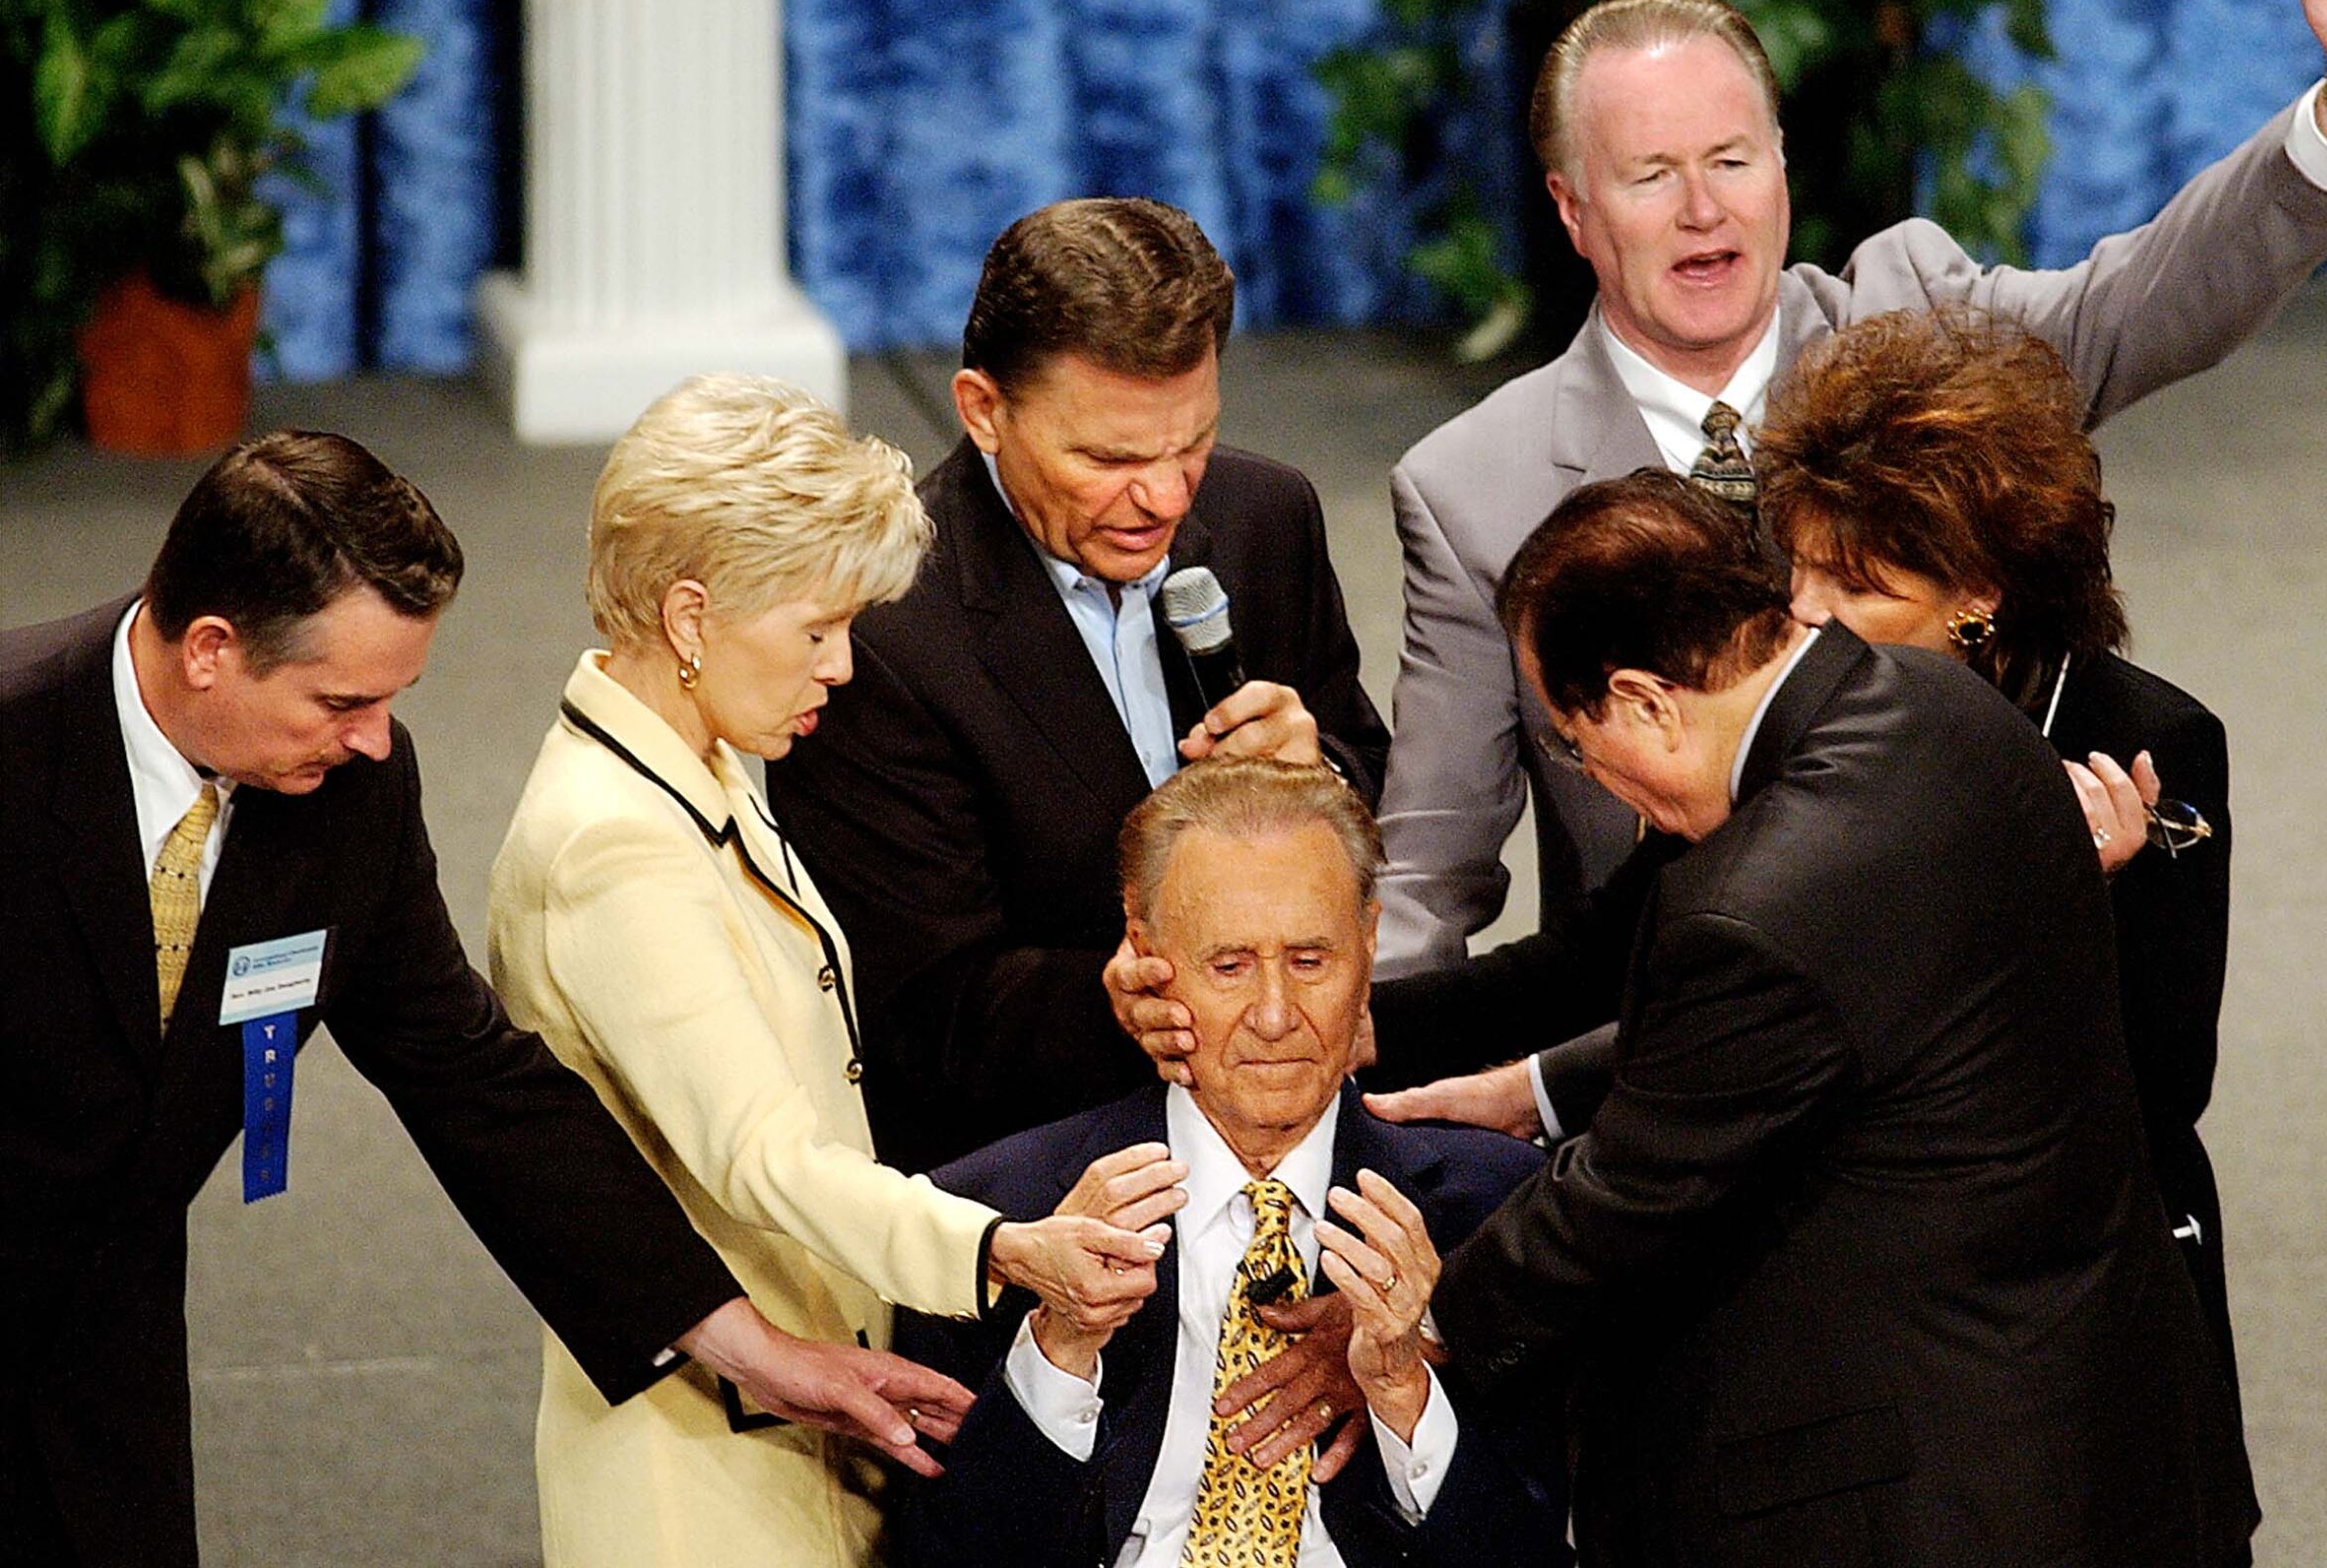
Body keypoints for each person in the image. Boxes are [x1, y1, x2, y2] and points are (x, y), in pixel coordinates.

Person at [1374, 0, 2327, 972]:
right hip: (1654, 1070)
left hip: (1957, 1007)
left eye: (1731, 159)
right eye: (1651, 175)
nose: (1703, 210)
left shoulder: (1915, 321)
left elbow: (2147, 306)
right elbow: (1431, 870)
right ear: (1573, 210)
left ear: (1780, 163)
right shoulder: (1478, 487)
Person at [0, 432, 969, 1568]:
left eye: (393, 697)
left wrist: (746, 1344)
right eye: (340, 699)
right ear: (212, 649)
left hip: (100, 1336)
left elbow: (473, 1080)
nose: (375, 739)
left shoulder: (345, 790)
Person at [1364, 310, 2247, 1395]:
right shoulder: (1799, 724)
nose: (1811, 617)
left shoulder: (2147, 747)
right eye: (1803, 570)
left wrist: (2058, 902)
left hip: (2060, 1300)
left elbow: (2159, 1085)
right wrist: (1355, 1026)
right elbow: (1605, 952)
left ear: (1979, 594)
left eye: (1861, 587)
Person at [1419, 472, 2251, 1564]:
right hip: (2077, 1412)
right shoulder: (1938, 702)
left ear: (1645, 700)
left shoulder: (1755, 903)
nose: (1600, 782)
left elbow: (1629, 1194)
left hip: (1919, 1489)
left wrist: (1417, 1321)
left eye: (1578, 744)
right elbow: (1874, 1013)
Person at [487, 376, 1173, 1568]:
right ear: (692, 615)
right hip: (702, 1475)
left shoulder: (693, 769)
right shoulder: (616, 845)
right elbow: (763, 1155)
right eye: (816, 630)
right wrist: (1001, 1248)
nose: (844, 668)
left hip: (803, 1404)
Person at [766, 197, 1389, 1173]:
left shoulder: (1268, 515)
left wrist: (1323, 781)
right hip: (1043, 1169)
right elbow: (917, 1009)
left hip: (1303, 1136)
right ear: (981, 410)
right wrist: (1123, 1002)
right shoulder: (880, 630)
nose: (1166, 498)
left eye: (1192, 443)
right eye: (1108, 458)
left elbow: (1366, 766)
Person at [891, 758, 1569, 1568]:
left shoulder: (1501, 1212)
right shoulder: (991, 1213)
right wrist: (1059, 1348)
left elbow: (1535, 1553)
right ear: (1146, 955)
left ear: (1369, 943)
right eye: (1230, 966)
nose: (1277, 1015)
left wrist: (1405, 1394)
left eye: (1311, 960)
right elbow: (942, 1555)